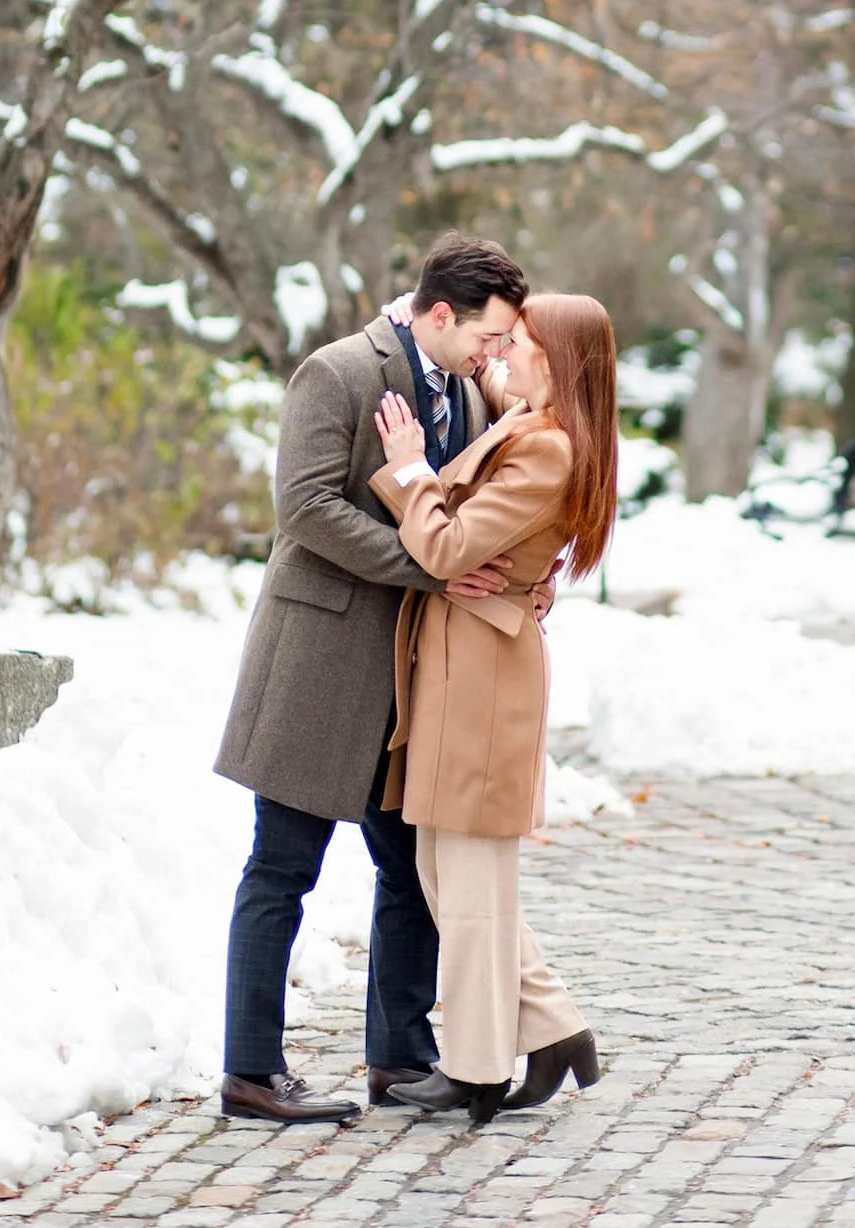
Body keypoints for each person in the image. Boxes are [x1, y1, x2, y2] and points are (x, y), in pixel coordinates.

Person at [213, 234, 529, 1124]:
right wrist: (426, 566)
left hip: (407, 677)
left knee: (411, 870)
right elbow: (304, 507)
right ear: (439, 315)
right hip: (318, 665)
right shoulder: (339, 373)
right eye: (488, 337)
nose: (493, 355)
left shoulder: (466, 389)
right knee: (282, 868)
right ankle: (249, 1071)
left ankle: (399, 1060)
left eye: (503, 343)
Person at [367, 291, 619, 1126]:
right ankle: (552, 1029)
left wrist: (409, 468)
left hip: (482, 673)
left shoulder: (548, 450)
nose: (507, 346)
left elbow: (442, 547)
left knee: (469, 878)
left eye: (525, 339)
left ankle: (477, 1067)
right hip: (461, 661)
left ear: (561, 359)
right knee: (445, 871)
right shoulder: (530, 420)